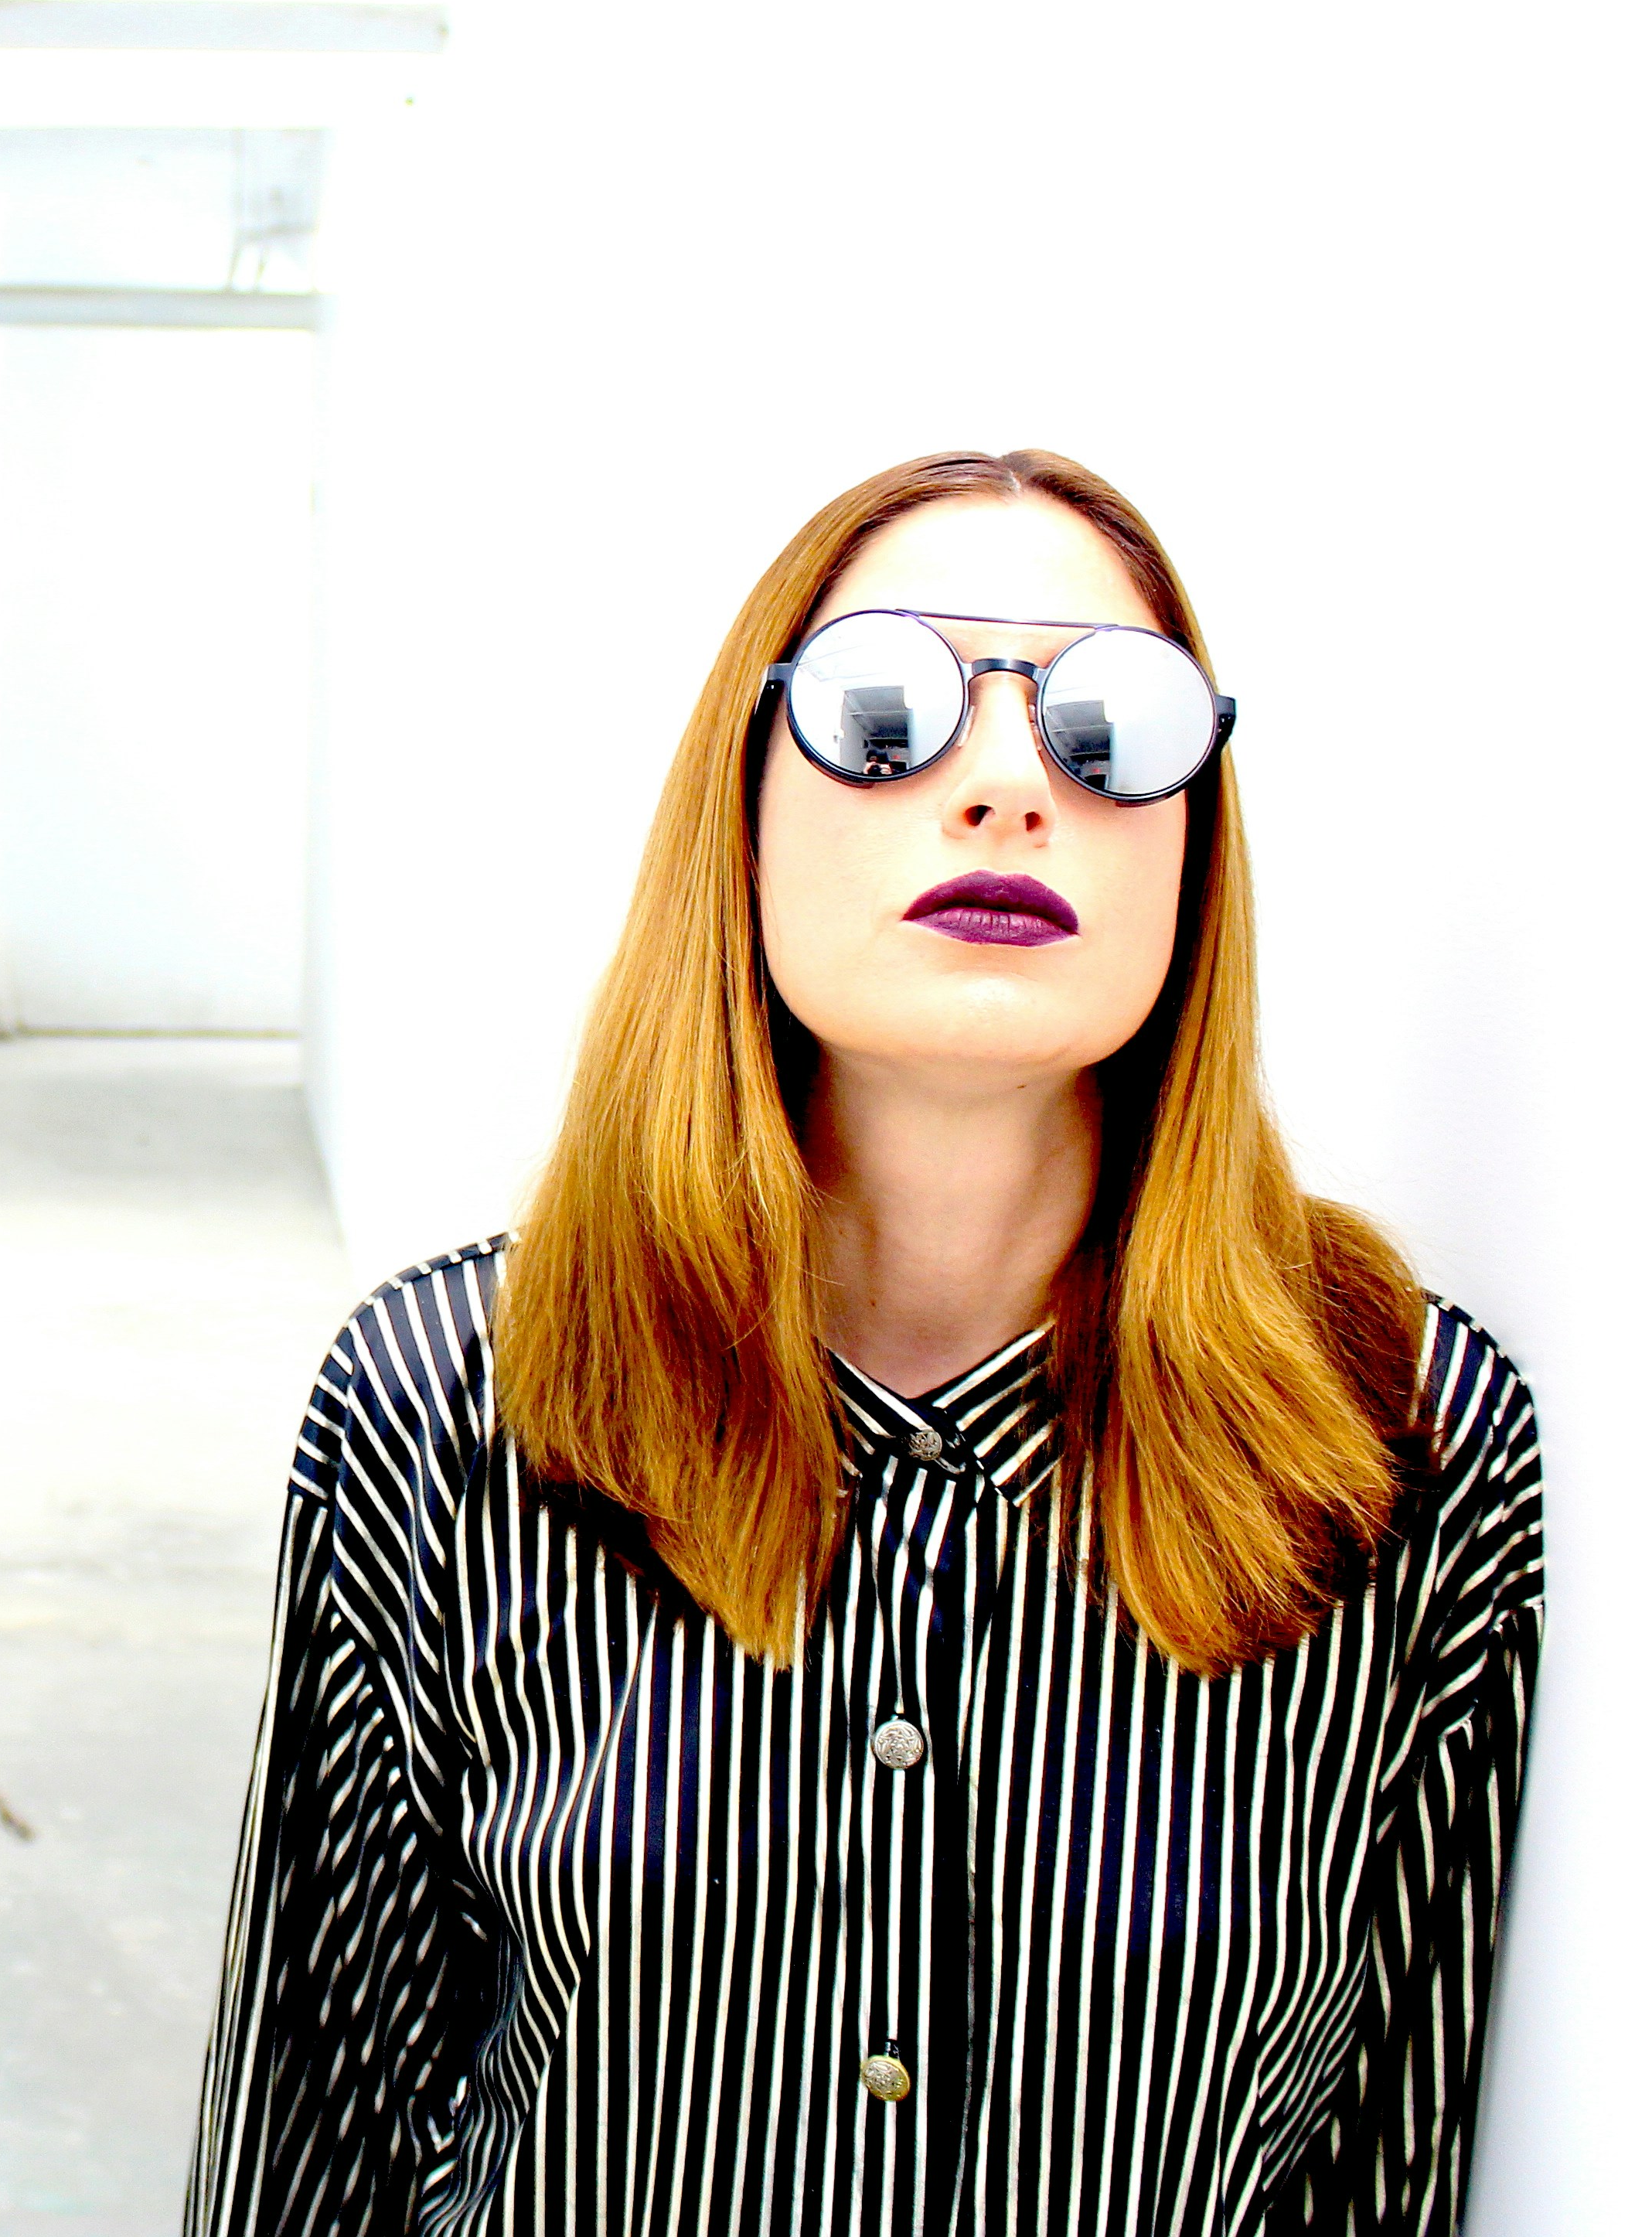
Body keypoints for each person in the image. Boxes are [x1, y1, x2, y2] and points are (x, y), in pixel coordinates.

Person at [185, 450, 1543, 2236]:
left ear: (1196, 850)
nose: (1004, 787)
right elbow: (313, 2140)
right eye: (884, 710)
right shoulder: (446, 1404)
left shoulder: (1405, 1443)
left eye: (1112, 729)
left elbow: (1393, 2168)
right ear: (738, 800)